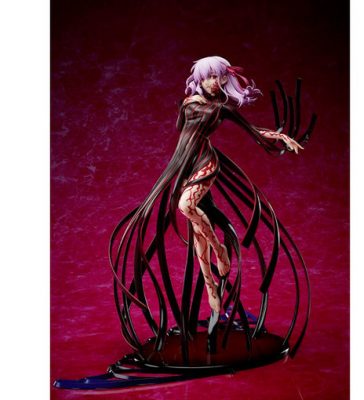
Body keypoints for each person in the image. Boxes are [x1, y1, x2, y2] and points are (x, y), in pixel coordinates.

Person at [109, 56, 307, 350]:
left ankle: (220, 249)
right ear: (200, 79)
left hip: (205, 163)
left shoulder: (220, 109)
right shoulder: (187, 104)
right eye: (210, 77)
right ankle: (213, 294)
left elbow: (253, 131)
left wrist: (280, 136)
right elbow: (184, 134)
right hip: (182, 166)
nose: (216, 82)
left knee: (185, 207)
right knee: (196, 234)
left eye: (220, 77)